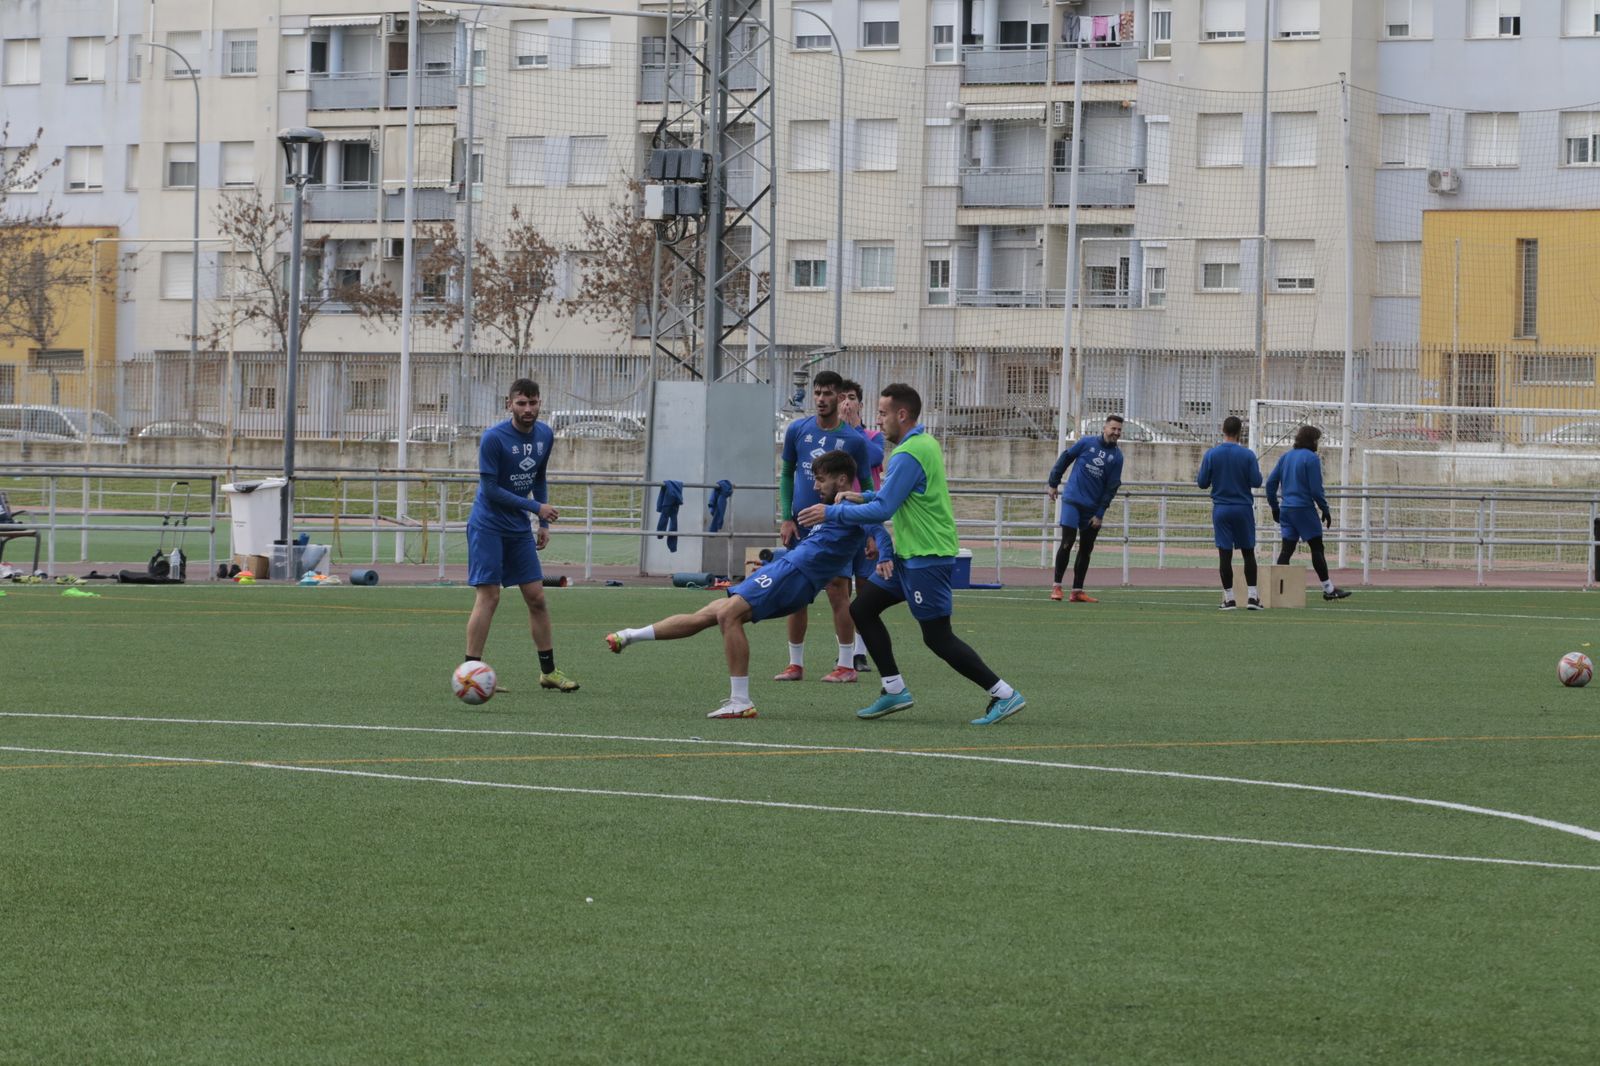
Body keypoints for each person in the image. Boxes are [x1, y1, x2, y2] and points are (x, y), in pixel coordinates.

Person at [798, 383, 1026, 727]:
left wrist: (830, 512)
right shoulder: (920, 444)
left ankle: (1004, 693)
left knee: (937, 637)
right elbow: (891, 496)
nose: (880, 419)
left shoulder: (909, 453)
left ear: (901, 415)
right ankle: (894, 689)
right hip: (909, 557)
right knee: (862, 608)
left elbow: (885, 508)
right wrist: (859, 496)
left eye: (883, 413)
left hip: (927, 557)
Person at [606, 451, 891, 719]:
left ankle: (740, 702)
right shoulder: (835, 506)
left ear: (842, 479)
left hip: (795, 576)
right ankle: (631, 635)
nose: (815, 486)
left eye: (820, 479)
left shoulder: (853, 506)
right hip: (787, 567)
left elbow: (879, 526)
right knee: (711, 612)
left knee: (728, 615)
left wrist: (882, 554)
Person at [463, 378, 580, 692]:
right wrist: (536, 508)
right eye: (521, 403)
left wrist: (543, 525)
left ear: (540, 402)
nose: (528, 409)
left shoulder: (545, 434)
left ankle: (548, 672)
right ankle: (470, 673)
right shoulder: (494, 438)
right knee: (489, 597)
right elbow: (490, 489)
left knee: (537, 598)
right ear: (509, 404)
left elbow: (538, 476)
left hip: (518, 528)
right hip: (487, 525)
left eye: (533, 403)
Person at [776, 370, 874, 684]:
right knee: (795, 593)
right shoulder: (797, 430)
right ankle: (795, 664)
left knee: (837, 592)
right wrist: (787, 517)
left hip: (836, 528)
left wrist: (871, 530)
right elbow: (787, 475)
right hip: (801, 527)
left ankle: (846, 665)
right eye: (817, 393)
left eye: (828, 393)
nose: (820, 399)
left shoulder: (853, 440)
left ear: (839, 396)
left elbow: (867, 485)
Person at [1264, 425, 1351, 601]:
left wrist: (1275, 506)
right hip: (1303, 509)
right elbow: (1316, 489)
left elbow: (1270, 484)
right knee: (1317, 548)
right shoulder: (1311, 459)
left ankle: (1277, 592)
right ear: (1312, 441)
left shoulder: (1285, 457)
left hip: (1286, 509)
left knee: (1287, 550)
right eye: (1317, 440)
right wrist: (1324, 508)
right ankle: (1328, 589)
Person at [1045, 415, 1125, 602]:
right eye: (1113, 429)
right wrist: (1053, 482)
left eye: (1119, 430)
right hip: (1073, 500)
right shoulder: (1086, 443)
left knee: (1086, 548)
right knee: (1067, 541)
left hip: (1092, 509)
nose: (1116, 433)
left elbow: (1111, 487)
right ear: (1104, 428)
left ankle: (1077, 590)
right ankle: (1056, 586)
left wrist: (1100, 513)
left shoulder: (1117, 457)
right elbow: (1066, 458)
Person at [838, 378, 885, 673]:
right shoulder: (832, 437)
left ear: (860, 403)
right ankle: (843, 652)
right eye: (842, 397)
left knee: (865, 587)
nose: (846, 403)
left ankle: (861, 650)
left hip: (867, 519)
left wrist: (854, 428)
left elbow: (872, 458)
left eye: (852, 397)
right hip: (841, 519)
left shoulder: (872, 436)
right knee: (839, 588)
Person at [1197, 415, 1265, 610]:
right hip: (1242, 508)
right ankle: (1252, 597)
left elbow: (1202, 483)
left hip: (1221, 508)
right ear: (1240, 432)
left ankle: (1229, 598)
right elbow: (1256, 481)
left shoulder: (1212, 454)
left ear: (1223, 430)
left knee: (1224, 554)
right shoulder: (1248, 455)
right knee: (1248, 552)